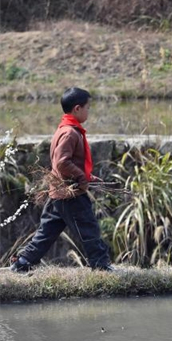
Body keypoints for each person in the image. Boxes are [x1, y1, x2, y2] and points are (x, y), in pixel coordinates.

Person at [9, 87, 113, 272]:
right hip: (70, 193)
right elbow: (62, 162)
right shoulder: (70, 133)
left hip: (58, 192)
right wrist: (81, 177)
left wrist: (90, 177)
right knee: (88, 228)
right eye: (88, 108)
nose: (89, 112)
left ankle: (23, 262)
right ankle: (101, 266)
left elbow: (67, 162)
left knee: (47, 232)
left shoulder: (64, 129)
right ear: (77, 109)